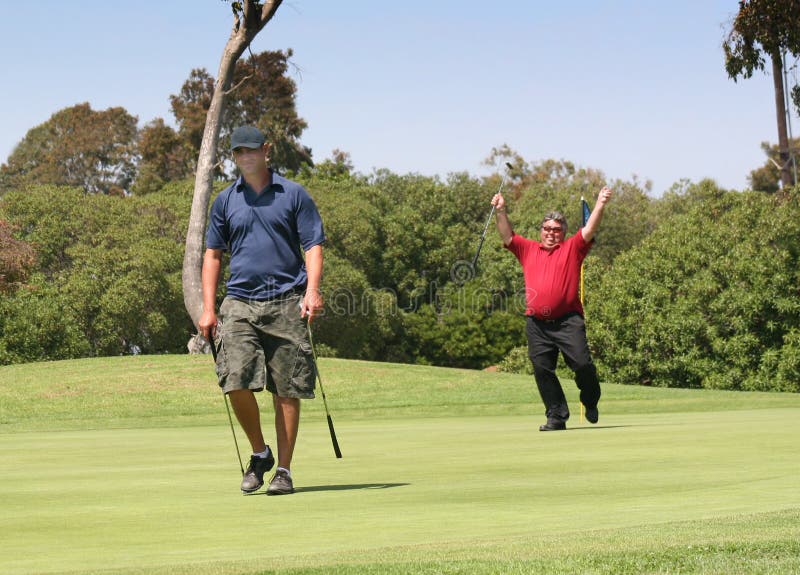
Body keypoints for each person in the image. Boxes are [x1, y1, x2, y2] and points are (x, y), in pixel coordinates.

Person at [199, 125, 325, 494]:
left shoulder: (293, 194)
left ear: (266, 150)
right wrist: (209, 308)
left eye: (252, 150)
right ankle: (261, 452)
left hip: (287, 299)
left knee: (286, 388)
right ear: (233, 156)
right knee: (234, 379)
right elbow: (213, 255)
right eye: (239, 152)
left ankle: (283, 471)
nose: (246, 157)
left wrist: (312, 291)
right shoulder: (224, 201)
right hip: (239, 301)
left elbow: (313, 245)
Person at [491, 186, 612, 431]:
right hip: (537, 324)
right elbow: (507, 236)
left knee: (583, 366)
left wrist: (600, 204)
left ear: (563, 233)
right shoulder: (527, 249)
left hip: (568, 321)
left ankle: (590, 399)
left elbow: (590, 229)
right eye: (547, 229)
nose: (551, 233)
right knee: (542, 370)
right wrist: (501, 210)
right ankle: (556, 416)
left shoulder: (572, 248)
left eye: (556, 230)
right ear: (541, 231)